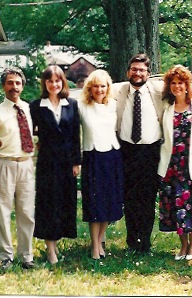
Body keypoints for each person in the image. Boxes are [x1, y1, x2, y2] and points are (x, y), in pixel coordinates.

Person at [29, 65, 81, 265]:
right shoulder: (36, 106)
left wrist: (77, 161)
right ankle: (50, 249)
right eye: (50, 81)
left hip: (67, 162)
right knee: (48, 204)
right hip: (48, 163)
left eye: (57, 81)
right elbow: (28, 129)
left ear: (63, 82)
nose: (54, 84)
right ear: (45, 83)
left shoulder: (72, 104)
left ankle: (58, 240)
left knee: (64, 202)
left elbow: (76, 134)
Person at [0, 67, 35, 270]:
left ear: (22, 86)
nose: (14, 87)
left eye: (17, 83)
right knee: (3, 212)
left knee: (27, 212)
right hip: (4, 164)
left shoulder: (30, 109)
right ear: (3, 86)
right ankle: (6, 256)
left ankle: (27, 256)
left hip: (26, 165)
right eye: (10, 83)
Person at [114, 53, 164, 254]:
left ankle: (144, 242)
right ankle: (131, 241)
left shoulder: (158, 92)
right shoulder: (119, 92)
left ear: (148, 73)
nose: (137, 73)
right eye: (134, 69)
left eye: (142, 70)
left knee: (148, 198)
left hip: (151, 151)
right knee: (130, 198)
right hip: (126, 150)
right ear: (128, 72)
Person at [157, 65, 192, 261]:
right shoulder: (167, 107)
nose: (177, 87)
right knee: (176, 205)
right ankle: (183, 245)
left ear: (187, 85)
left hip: (191, 163)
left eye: (181, 83)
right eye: (174, 83)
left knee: (191, 204)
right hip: (172, 164)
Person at [78, 69, 124, 260]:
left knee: (109, 201)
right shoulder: (81, 107)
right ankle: (95, 245)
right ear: (90, 88)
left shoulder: (113, 105)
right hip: (93, 157)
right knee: (94, 202)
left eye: (103, 86)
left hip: (112, 156)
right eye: (95, 86)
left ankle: (100, 240)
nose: (99, 89)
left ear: (108, 88)